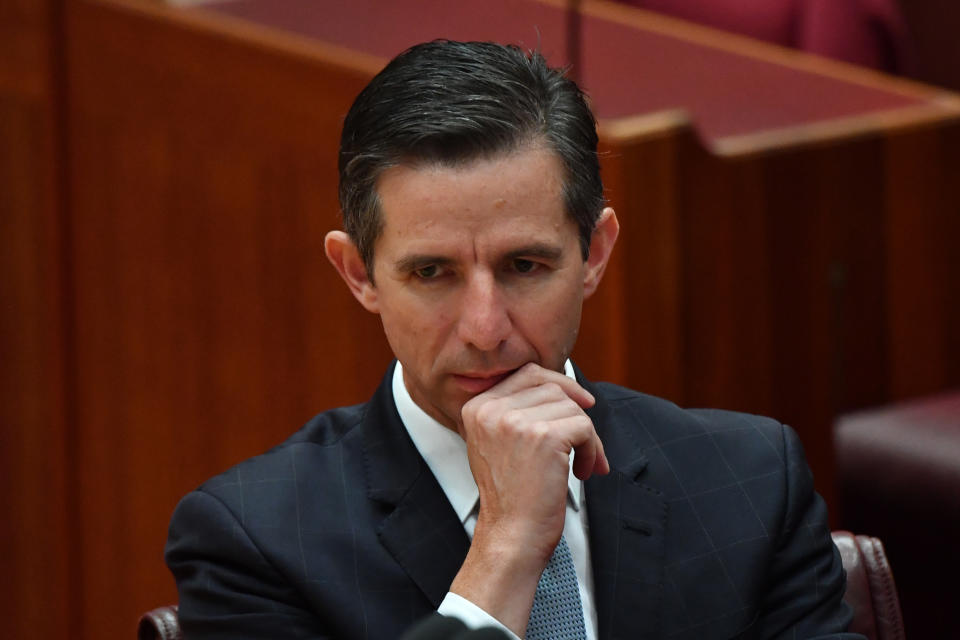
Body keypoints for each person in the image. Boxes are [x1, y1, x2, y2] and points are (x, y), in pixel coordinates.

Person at [166, 40, 860, 640]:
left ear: (594, 255)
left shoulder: (751, 481)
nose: (485, 328)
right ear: (359, 275)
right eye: (432, 273)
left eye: (525, 266)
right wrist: (505, 550)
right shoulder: (253, 541)